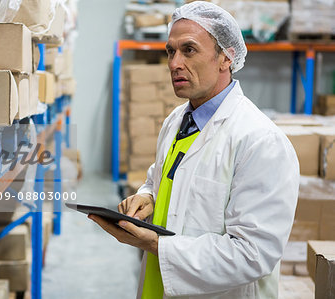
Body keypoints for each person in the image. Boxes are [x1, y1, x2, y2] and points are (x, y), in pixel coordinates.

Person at [88, 1, 300, 298]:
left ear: (227, 57)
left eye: (189, 50)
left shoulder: (260, 141)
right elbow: (161, 179)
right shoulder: (177, 121)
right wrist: (147, 196)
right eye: (170, 51)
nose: (174, 63)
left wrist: (154, 244)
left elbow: (254, 254)